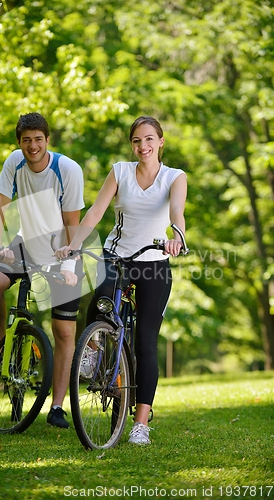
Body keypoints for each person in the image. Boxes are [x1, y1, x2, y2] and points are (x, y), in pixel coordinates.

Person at [55, 116, 187, 444]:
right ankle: (94, 347)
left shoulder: (175, 177)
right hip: (118, 255)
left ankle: (141, 423)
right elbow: (97, 212)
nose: (143, 146)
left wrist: (177, 236)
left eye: (149, 139)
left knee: (145, 342)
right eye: (136, 141)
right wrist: (74, 244)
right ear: (131, 145)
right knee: (100, 299)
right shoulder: (120, 171)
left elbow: (177, 214)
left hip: (154, 261)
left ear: (160, 142)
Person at [0, 112, 84, 429]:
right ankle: (2, 351)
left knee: (64, 330)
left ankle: (56, 407)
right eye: (26, 140)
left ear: (47, 140)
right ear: (19, 142)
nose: (32, 145)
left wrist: (67, 264)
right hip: (26, 244)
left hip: (63, 248)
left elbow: (72, 224)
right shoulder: (14, 162)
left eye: (38, 139)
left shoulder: (67, 170)